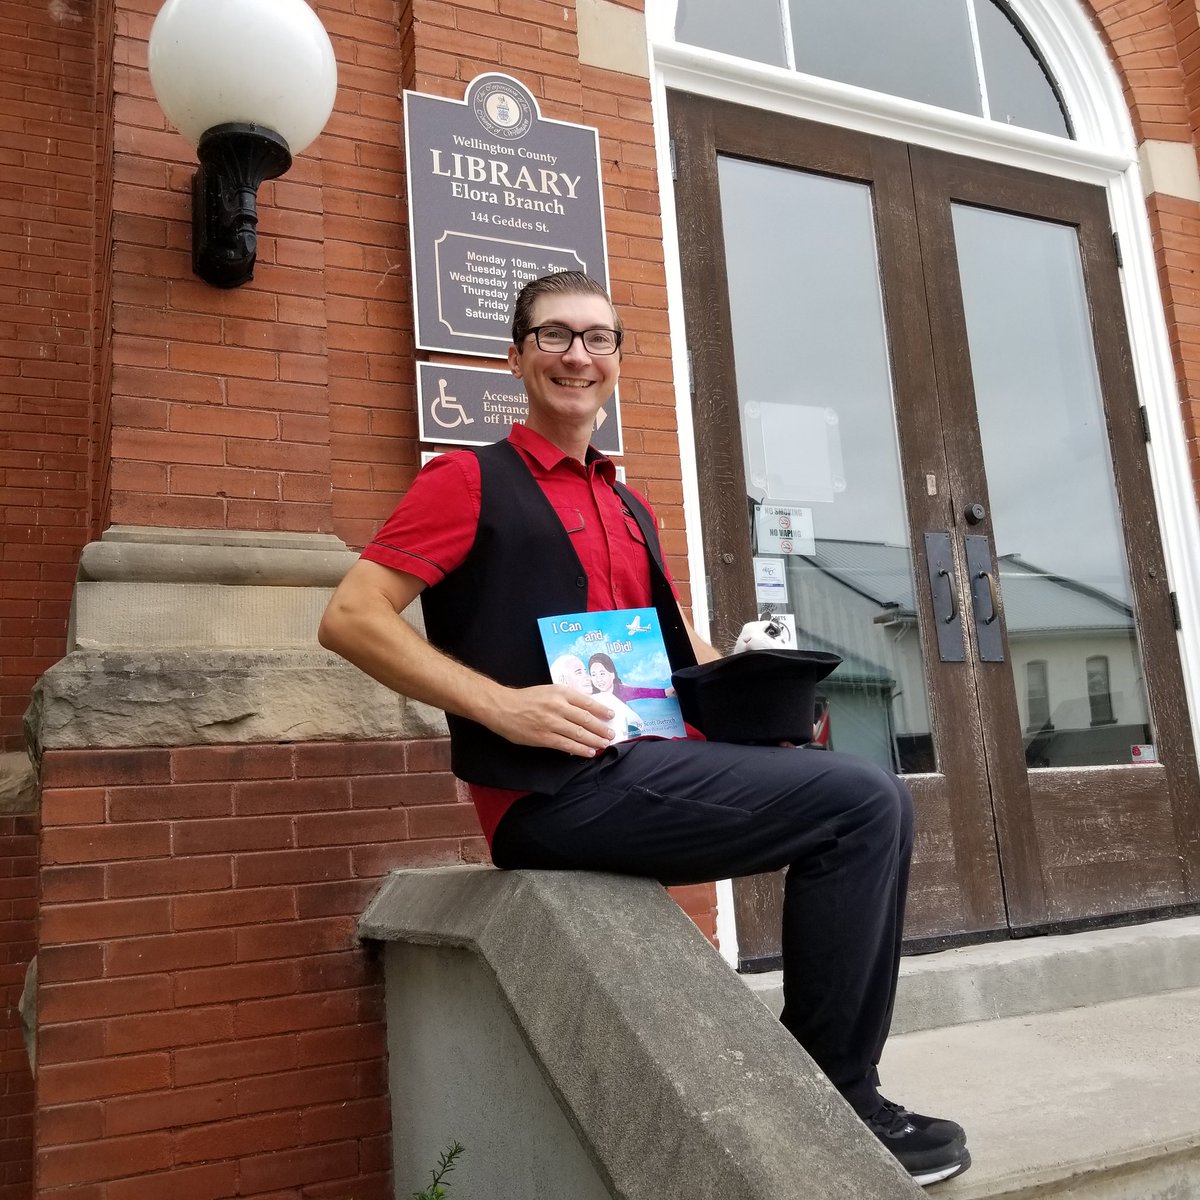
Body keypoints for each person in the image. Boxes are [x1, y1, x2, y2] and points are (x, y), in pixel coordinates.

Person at [318, 271, 970, 1186]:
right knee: (865, 803)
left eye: (597, 339)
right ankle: (839, 1098)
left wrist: (754, 685)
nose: (576, 356)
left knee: (861, 796)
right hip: (549, 795)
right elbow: (351, 617)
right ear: (515, 356)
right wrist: (502, 704)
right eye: (553, 336)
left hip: (643, 765)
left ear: (619, 361)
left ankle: (827, 1087)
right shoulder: (467, 480)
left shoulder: (628, 504)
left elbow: (678, 658)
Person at [550, 652, 644, 741]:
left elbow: (637, 723)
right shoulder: (558, 717)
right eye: (579, 673)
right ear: (563, 681)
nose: (588, 677)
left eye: (586, 672)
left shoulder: (607, 699)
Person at [587, 650, 674, 703]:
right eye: (593, 675)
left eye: (602, 673)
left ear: (612, 674)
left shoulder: (621, 691)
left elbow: (641, 692)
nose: (598, 679)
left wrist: (665, 692)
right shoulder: (591, 697)